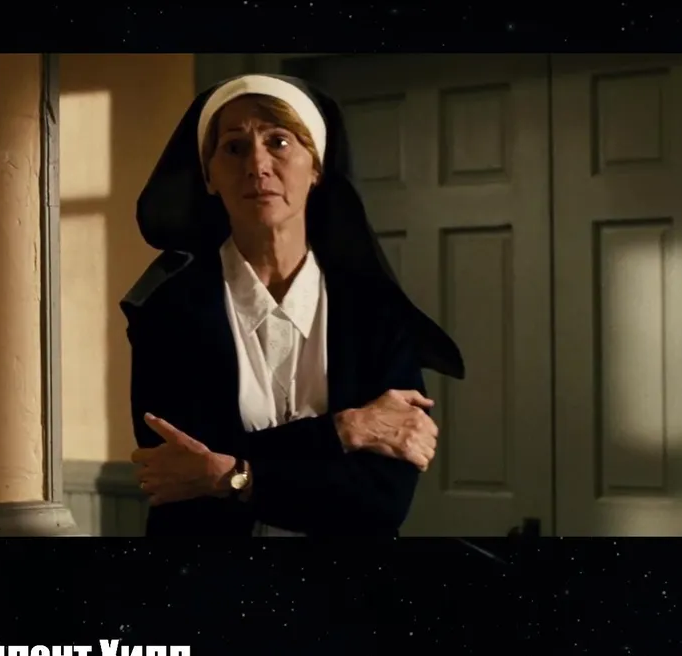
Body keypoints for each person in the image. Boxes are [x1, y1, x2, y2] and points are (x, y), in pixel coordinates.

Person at [122, 74, 466, 537]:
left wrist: (233, 475)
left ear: (316, 167)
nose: (257, 164)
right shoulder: (166, 311)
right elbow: (176, 473)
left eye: (279, 142)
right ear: (209, 176)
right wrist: (346, 429)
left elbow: (382, 501)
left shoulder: (375, 313)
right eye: (234, 147)